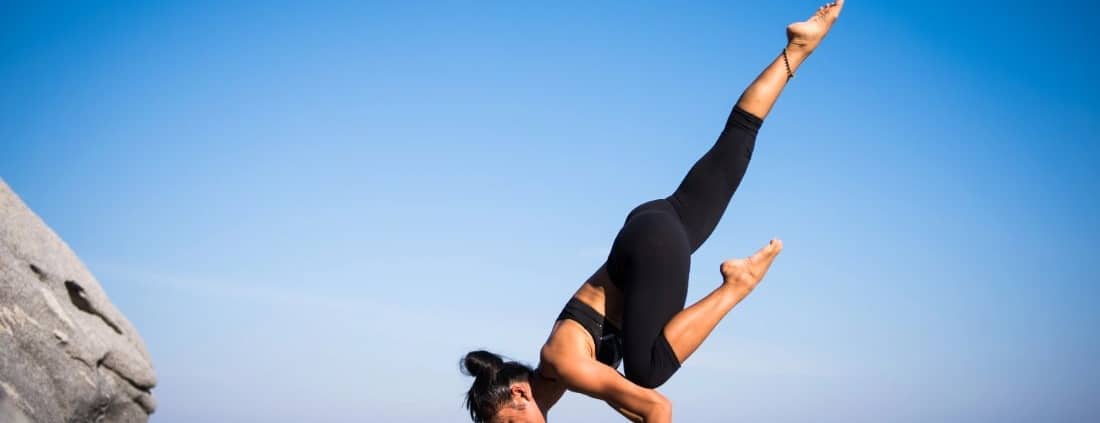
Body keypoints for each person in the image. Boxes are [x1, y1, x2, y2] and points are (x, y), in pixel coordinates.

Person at [461, 2, 844, 422]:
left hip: (650, 248)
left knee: (648, 372)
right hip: (653, 227)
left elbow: (658, 410)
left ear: (519, 393)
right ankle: (799, 49)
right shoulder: (571, 371)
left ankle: (737, 285)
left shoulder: (563, 360)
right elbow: (630, 405)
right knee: (734, 143)